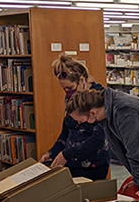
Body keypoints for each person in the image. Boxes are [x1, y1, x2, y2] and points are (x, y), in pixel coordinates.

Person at [40, 53, 110, 181]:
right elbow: (66, 130)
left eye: (70, 88)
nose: (68, 92)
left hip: (94, 165)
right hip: (72, 163)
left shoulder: (98, 99)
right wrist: (52, 152)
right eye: (64, 89)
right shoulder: (72, 100)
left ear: (82, 80)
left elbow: (98, 138)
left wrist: (66, 154)